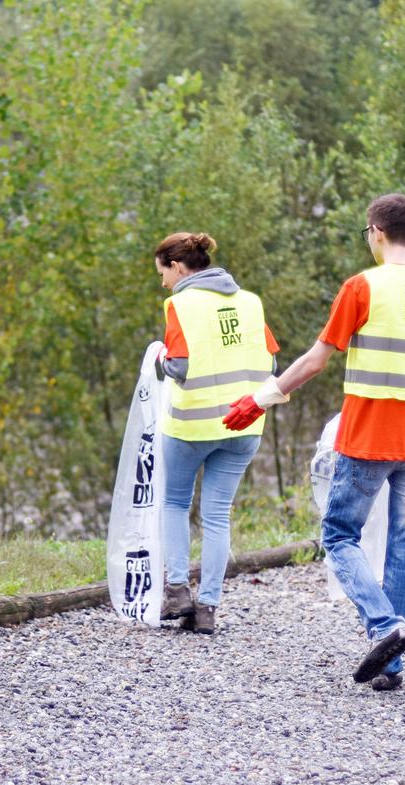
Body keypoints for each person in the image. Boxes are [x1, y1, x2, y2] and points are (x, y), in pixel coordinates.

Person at [223, 194, 405, 691]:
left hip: (369, 437)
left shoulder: (361, 287)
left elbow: (315, 360)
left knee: (338, 536)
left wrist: (261, 398)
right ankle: (392, 666)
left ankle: (384, 626)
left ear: (375, 231)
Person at [151, 232, 282, 634]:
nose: (162, 283)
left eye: (162, 273)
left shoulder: (180, 304)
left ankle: (176, 591)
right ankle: (206, 608)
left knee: (174, 504)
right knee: (217, 515)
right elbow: (272, 362)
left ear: (177, 267)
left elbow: (181, 367)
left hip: (192, 424)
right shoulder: (250, 301)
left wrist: (158, 357)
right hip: (245, 425)